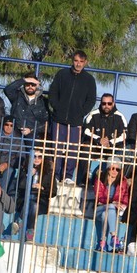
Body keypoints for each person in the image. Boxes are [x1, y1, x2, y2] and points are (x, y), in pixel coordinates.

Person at [48, 50, 97, 183]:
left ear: (85, 62)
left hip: (76, 121)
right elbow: (53, 92)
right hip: (59, 118)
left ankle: (68, 176)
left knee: (73, 149)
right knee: (56, 148)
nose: (78, 64)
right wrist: (57, 107)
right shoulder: (62, 74)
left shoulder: (89, 79)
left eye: (81, 61)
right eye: (76, 61)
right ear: (72, 61)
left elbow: (91, 99)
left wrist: (81, 112)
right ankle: (55, 175)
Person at [14, 149, 57, 240]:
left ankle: (20, 221)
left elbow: (53, 192)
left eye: (39, 157)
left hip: (42, 201)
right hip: (25, 200)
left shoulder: (48, 172)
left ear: (43, 158)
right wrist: (28, 176)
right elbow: (19, 186)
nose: (37, 159)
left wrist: (42, 188)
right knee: (33, 204)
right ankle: (30, 230)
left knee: (34, 203)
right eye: (34, 156)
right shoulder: (25, 169)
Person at [92, 157, 130, 252]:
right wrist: (112, 203)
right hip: (100, 208)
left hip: (115, 212)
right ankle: (114, 236)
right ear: (108, 168)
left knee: (106, 215)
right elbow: (99, 197)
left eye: (117, 169)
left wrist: (122, 205)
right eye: (112, 168)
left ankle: (102, 243)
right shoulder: (100, 178)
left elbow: (125, 198)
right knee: (110, 207)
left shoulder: (123, 181)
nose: (115, 171)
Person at [3, 73, 49, 142]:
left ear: (37, 86)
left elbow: (45, 123)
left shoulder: (43, 102)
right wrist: (24, 80)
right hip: (15, 132)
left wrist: (31, 130)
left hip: (33, 135)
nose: (30, 86)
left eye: (33, 84)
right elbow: (7, 90)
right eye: (27, 84)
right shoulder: (17, 96)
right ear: (24, 84)